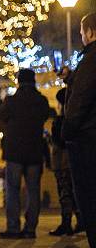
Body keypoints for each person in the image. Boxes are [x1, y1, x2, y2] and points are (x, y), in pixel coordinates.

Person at [0, 68, 50, 239]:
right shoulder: (41, 100)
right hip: (34, 151)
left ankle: (13, 227)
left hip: (14, 153)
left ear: (19, 81)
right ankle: (30, 228)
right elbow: (45, 117)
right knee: (33, 191)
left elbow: (0, 115)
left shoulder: (12, 101)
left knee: (13, 190)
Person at [62, 13, 96, 248]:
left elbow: (80, 100)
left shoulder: (91, 59)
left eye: (82, 31)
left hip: (86, 139)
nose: (81, 36)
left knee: (88, 196)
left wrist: (66, 131)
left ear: (91, 32)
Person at [49, 88, 82, 236]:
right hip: (73, 160)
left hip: (62, 161)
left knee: (65, 192)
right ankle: (81, 221)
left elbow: (59, 140)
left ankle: (66, 222)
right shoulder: (78, 117)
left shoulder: (62, 121)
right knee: (75, 192)